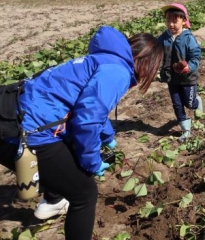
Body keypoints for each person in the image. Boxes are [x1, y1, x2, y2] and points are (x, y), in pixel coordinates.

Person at [0, 26, 163, 240]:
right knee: (84, 193)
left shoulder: (102, 60)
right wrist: (92, 162)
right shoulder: (118, 72)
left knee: (65, 158)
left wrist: (107, 137)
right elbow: (87, 121)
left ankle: (53, 200)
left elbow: (86, 107)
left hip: (8, 109)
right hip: (24, 130)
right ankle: (55, 200)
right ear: (147, 62)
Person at [158, 3, 203, 141]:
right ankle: (186, 130)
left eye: (174, 21)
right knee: (177, 104)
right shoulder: (163, 38)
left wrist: (189, 66)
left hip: (187, 78)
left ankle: (197, 101)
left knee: (189, 103)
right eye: (167, 20)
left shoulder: (188, 38)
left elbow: (196, 56)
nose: (170, 24)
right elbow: (157, 53)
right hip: (171, 78)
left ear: (184, 21)